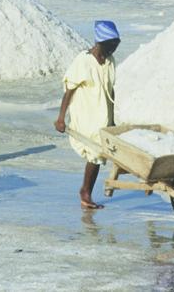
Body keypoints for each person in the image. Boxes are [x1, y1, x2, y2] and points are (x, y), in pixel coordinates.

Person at [54, 21, 120, 209]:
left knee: (98, 155)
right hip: (86, 116)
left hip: (103, 116)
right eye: (111, 45)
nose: (114, 50)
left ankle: (85, 191)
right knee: (95, 153)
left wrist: (112, 117)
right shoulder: (83, 61)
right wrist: (61, 118)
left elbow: (110, 89)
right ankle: (85, 192)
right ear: (101, 43)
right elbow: (69, 91)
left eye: (116, 45)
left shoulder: (109, 61)